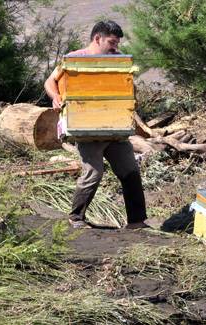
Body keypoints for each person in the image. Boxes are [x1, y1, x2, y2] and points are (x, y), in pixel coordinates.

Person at [44, 20, 148, 229]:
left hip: (115, 129)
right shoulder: (75, 58)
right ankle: (76, 218)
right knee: (93, 172)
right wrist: (55, 97)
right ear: (97, 38)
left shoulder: (119, 60)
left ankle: (137, 222)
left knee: (130, 171)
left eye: (117, 43)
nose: (115, 47)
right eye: (111, 42)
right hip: (87, 129)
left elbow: (128, 86)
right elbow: (50, 81)